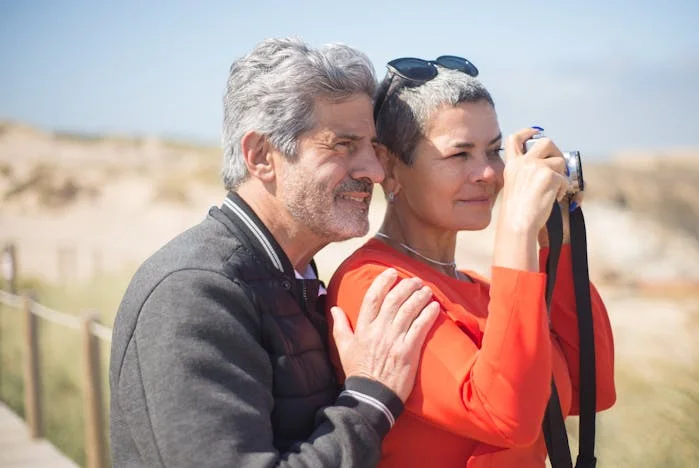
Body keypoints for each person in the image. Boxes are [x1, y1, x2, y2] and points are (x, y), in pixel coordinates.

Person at [109, 39, 441, 467]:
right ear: (262, 156)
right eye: (343, 145)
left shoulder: (291, 278)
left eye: (372, 148)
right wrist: (370, 397)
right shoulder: (194, 292)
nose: (374, 171)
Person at [326, 56, 616, 467]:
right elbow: (505, 416)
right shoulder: (373, 284)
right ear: (389, 166)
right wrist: (515, 230)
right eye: (460, 154)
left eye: (495, 151)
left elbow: (592, 387)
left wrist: (557, 240)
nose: (489, 173)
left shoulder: (483, 290)